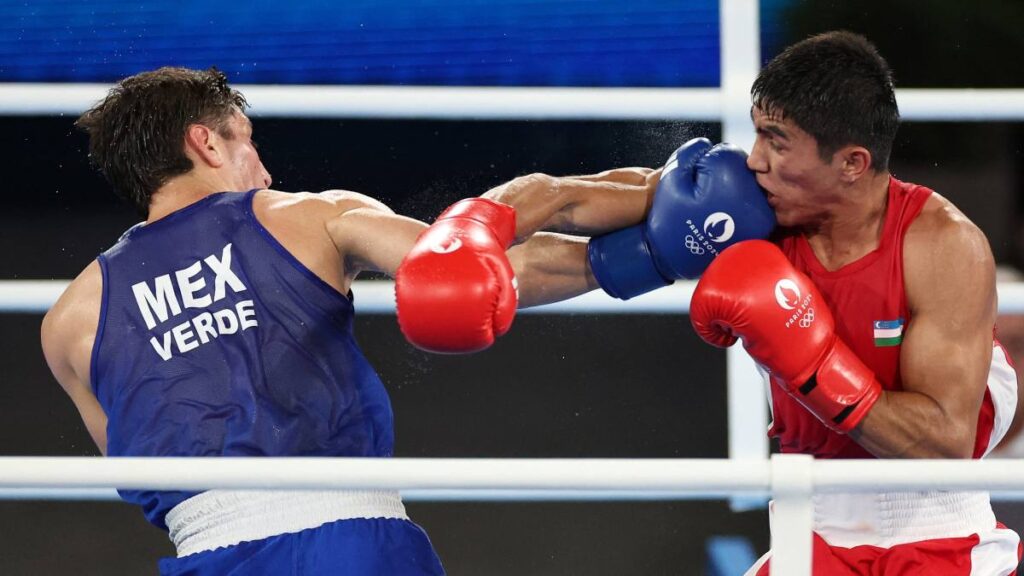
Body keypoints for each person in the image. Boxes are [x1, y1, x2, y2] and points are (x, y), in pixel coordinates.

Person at [39, 66, 771, 574]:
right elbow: (476, 273)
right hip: (351, 543)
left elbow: (144, 471)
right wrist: (661, 243)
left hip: (202, 558)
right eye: (246, 141)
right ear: (207, 141)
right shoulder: (304, 215)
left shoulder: (69, 321)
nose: (261, 169)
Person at [688, 31, 1022, 574]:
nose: (753, 161)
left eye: (776, 141)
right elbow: (612, 210)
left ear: (851, 162)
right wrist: (501, 224)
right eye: (757, 135)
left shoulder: (942, 245)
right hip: (808, 530)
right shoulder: (755, 213)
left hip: (941, 538)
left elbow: (945, 444)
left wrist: (814, 367)